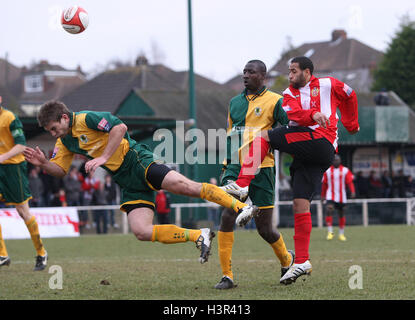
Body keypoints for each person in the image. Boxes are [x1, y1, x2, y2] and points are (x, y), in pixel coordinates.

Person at [23, 101, 258, 265]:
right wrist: (43, 164)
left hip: (137, 161)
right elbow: (61, 171)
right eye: (50, 131)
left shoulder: (86, 119)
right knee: (141, 231)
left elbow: (120, 127)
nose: (54, 134)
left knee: (187, 187)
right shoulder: (65, 143)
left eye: (54, 128)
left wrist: (103, 157)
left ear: (64, 117)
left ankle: (242, 207)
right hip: (126, 180)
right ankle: (199, 235)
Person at [221, 56, 359, 284]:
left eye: (294, 71)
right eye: (289, 71)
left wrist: (351, 123)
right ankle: (302, 260)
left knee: (263, 137)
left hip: (321, 141)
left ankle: (242, 185)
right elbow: (293, 114)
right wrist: (313, 114)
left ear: (307, 72)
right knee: (300, 203)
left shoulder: (328, 84)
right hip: (309, 153)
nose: (290, 75)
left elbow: (350, 95)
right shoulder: (289, 94)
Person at [214, 60, 294, 290]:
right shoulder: (234, 102)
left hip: (264, 169)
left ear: (263, 76)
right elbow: (230, 134)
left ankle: (287, 260)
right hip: (236, 168)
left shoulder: (276, 100)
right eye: (244, 72)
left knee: (265, 229)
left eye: (251, 72)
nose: (246, 75)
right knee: (227, 216)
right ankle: (227, 276)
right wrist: (226, 163)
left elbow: (289, 128)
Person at [0, 96, 48, 270]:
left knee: (23, 211)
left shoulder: (10, 118)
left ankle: (41, 253)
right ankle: (3, 254)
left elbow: (21, 146)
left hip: (13, 169)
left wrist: (2, 158)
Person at [321, 154, 356, 241]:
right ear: (332, 161)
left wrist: (352, 191)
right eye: (334, 160)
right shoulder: (328, 171)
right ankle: (330, 232)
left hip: (341, 197)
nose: (336, 161)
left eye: (337, 160)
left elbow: (350, 182)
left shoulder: (345, 170)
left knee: (342, 213)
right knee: (329, 209)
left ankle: (341, 234)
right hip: (330, 195)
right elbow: (324, 185)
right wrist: (323, 196)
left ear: (340, 161)